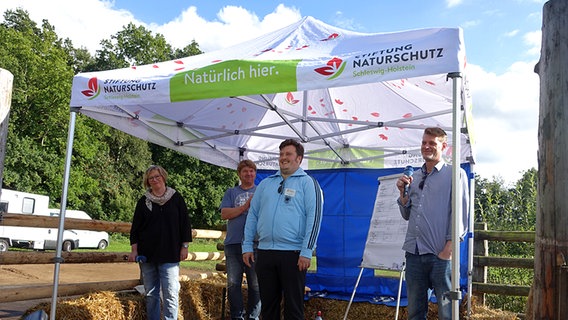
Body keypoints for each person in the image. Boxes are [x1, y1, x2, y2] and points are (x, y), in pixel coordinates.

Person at [242, 138, 324, 320]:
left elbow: (315, 217)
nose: (283, 158)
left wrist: (306, 251)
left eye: (288, 154)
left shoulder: (308, 183)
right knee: (268, 308)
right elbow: (252, 215)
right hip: (265, 253)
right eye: (281, 154)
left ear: (299, 159)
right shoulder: (266, 184)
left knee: (293, 309)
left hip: (293, 254)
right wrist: (247, 245)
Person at [396, 127, 469, 320]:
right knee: (415, 313)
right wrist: (402, 195)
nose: (426, 146)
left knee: (447, 313)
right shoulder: (415, 177)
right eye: (424, 142)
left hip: (440, 256)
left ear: (444, 146)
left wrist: (448, 250)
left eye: (432, 143)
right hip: (414, 254)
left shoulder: (455, 174)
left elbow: (460, 215)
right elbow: (407, 215)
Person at [128, 165, 192, 320]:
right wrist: (134, 250)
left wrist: (184, 246)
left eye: (157, 176)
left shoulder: (176, 198)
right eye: (151, 178)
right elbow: (135, 228)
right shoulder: (143, 201)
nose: (155, 180)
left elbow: (185, 224)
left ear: (164, 177)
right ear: (147, 182)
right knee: (151, 294)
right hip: (147, 255)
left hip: (170, 254)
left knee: (171, 293)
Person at [220, 159, 261, 320]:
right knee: (233, 284)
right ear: (239, 174)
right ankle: (237, 316)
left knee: (256, 284)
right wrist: (245, 207)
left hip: (255, 244)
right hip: (233, 243)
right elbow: (224, 214)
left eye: (251, 171)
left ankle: (253, 317)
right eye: (245, 171)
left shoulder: (261, 191)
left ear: (255, 174)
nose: (249, 174)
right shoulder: (231, 192)